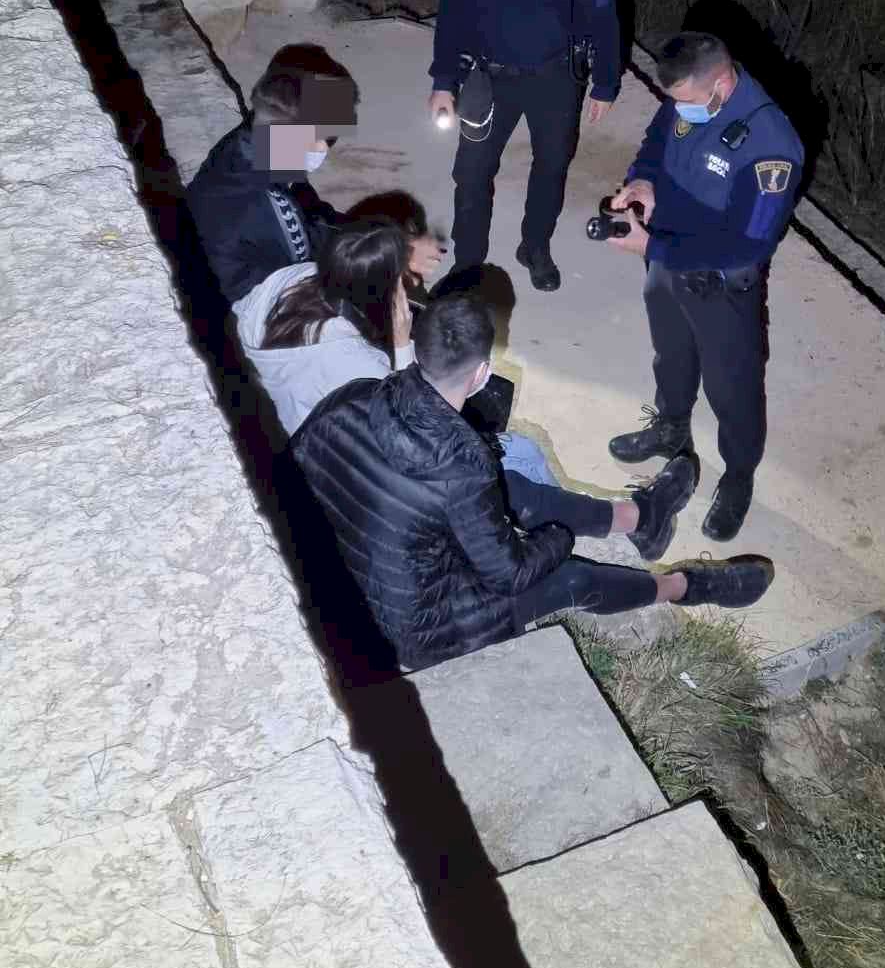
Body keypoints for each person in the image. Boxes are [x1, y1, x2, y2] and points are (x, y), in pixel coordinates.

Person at [290, 293, 775, 674]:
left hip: (345, 563)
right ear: (482, 374)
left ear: (418, 348)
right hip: (411, 630)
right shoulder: (464, 468)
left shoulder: (352, 397)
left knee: (513, 489)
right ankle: (683, 585)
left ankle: (640, 519)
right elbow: (511, 575)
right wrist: (557, 538)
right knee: (571, 578)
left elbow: (292, 470)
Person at [602, 31, 803, 543]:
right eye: (675, 102)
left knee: (731, 387)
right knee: (671, 355)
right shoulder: (689, 98)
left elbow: (747, 245)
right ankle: (671, 427)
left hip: (721, 284)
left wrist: (653, 246)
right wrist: (643, 180)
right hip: (666, 258)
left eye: (687, 102)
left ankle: (738, 476)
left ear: (722, 84)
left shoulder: (772, 148)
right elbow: (656, 144)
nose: (679, 111)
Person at [428, 0, 621, 293]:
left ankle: (535, 246)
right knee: (472, 173)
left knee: (552, 166)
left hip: (555, 77)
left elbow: (603, 12)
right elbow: (454, 8)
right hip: (489, 76)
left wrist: (606, 81)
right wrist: (444, 80)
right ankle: (467, 263)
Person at [235, 220, 560, 491]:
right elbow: (407, 422)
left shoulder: (298, 275)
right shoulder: (357, 363)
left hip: (279, 403)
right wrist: (403, 343)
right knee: (521, 451)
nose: (408, 285)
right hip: (322, 453)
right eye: (400, 281)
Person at [185, 47, 442, 308]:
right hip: (251, 307)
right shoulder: (267, 202)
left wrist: (395, 243)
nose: (323, 147)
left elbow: (315, 220)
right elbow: (318, 265)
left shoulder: (254, 144)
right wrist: (394, 255)